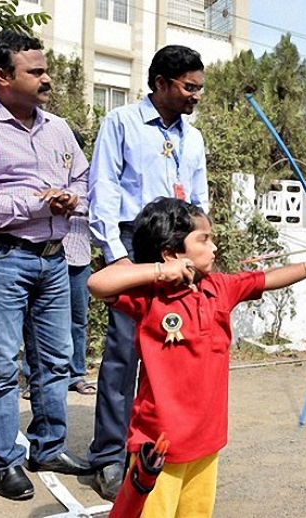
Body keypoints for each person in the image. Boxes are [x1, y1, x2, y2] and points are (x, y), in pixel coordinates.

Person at [88, 197, 306, 518]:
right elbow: (97, 283)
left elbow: (266, 279)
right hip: (158, 446)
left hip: (207, 441)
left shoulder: (221, 287)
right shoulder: (150, 296)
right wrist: (161, 271)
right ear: (171, 252)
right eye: (203, 239)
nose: (214, 247)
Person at [0, 30, 91, 501]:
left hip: (54, 260)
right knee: (3, 366)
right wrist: (36, 205)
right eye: (37, 71)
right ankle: (5, 460)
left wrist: (72, 198)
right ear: (2, 77)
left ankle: (49, 447)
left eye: (45, 69)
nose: (47, 78)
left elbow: (85, 180)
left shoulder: (59, 128)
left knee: (54, 362)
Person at [87, 44, 209, 501]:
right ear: (160, 83)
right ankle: (107, 458)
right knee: (123, 357)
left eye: (199, 89)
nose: (196, 97)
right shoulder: (121, 123)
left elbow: (198, 200)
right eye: (188, 88)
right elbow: (103, 187)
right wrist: (117, 257)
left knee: (171, 357)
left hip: (181, 259)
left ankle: (156, 453)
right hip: (133, 251)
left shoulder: (192, 138)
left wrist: (197, 254)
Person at [21, 128, 95, 399]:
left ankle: (76, 374)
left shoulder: (85, 180)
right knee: (36, 320)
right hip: (47, 256)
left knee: (78, 320)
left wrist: (72, 204)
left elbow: (95, 206)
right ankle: (34, 377)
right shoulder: (41, 175)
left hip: (79, 258)